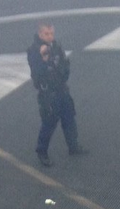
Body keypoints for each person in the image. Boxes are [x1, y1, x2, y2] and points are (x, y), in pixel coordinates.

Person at [27, 20, 86, 167]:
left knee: (69, 117)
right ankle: (42, 152)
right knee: (49, 123)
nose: (50, 36)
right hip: (48, 93)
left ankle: (73, 146)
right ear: (40, 33)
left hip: (61, 89)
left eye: (51, 33)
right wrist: (44, 60)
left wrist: (64, 74)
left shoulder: (56, 46)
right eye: (46, 33)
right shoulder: (34, 50)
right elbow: (36, 73)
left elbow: (64, 63)